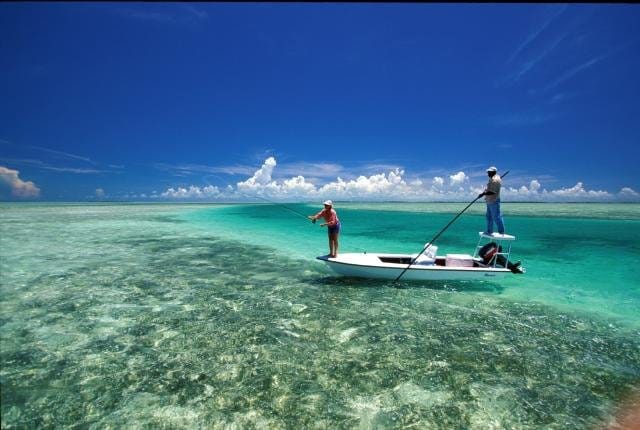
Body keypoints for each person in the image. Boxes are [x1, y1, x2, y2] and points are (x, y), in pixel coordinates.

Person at [478, 166, 505, 235]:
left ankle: (501, 231)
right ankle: (489, 231)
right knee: (489, 216)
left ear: (493, 172)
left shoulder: (495, 180)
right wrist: (484, 193)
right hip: (489, 200)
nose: (488, 173)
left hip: (494, 201)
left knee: (496, 216)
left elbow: (493, 192)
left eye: (489, 172)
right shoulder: (492, 178)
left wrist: (483, 194)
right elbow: (489, 188)